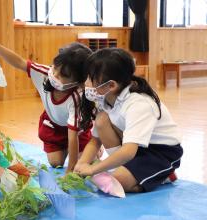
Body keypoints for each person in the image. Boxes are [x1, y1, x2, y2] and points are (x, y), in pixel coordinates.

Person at [0, 39, 93, 173]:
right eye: (55, 68)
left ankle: (91, 147)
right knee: (56, 163)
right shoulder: (44, 73)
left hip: (76, 131)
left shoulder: (76, 98)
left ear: (78, 82)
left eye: (62, 76)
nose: (54, 75)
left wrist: (70, 170)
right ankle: (69, 150)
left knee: (82, 163)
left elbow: (73, 137)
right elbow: (19, 62)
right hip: (54, 126)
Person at [74, 48, 183, 192]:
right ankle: (130, 170)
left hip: (161, 152)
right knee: (101, 120)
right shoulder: (106, 99)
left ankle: (165, 175)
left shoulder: (139, 103)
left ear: (111, 85)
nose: (86, 83)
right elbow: (95, 140)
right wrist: (82, 164)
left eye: (90, 78)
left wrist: (93, 169)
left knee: (117, 182)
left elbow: (128, 152)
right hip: (136, 146)